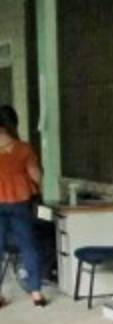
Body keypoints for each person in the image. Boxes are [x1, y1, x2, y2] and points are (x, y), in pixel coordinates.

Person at [0, 105, 45, 308]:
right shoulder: (23, 149)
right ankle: (36, 294)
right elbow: (35, 175)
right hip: (20, 203)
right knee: (28, 246)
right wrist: (39, 188)